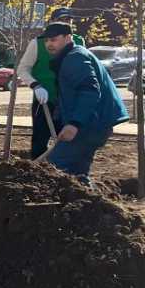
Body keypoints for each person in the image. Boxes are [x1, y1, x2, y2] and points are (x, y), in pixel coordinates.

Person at [42, 22, 128, 181]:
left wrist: (74, 123)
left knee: (55, 166)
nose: (49, 44)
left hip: (89, 126)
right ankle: (90, 204)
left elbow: (89, 91)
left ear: (68, 37)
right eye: (46, 41)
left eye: (53, 39)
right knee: (77, 174)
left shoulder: (75, 57)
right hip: (94, 124)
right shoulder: (72, 55)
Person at [16, 10, 87, 160]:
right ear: (52, 21)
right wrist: (36, 86)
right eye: (62, 19)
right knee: (40, 141)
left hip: (68, 102)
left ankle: (65, 174)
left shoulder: (79, 42)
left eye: (69, 19)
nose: (67, 22)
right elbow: (23, 69)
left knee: (68, 140)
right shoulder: (38, 43)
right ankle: (38, 173)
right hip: (44, 101)